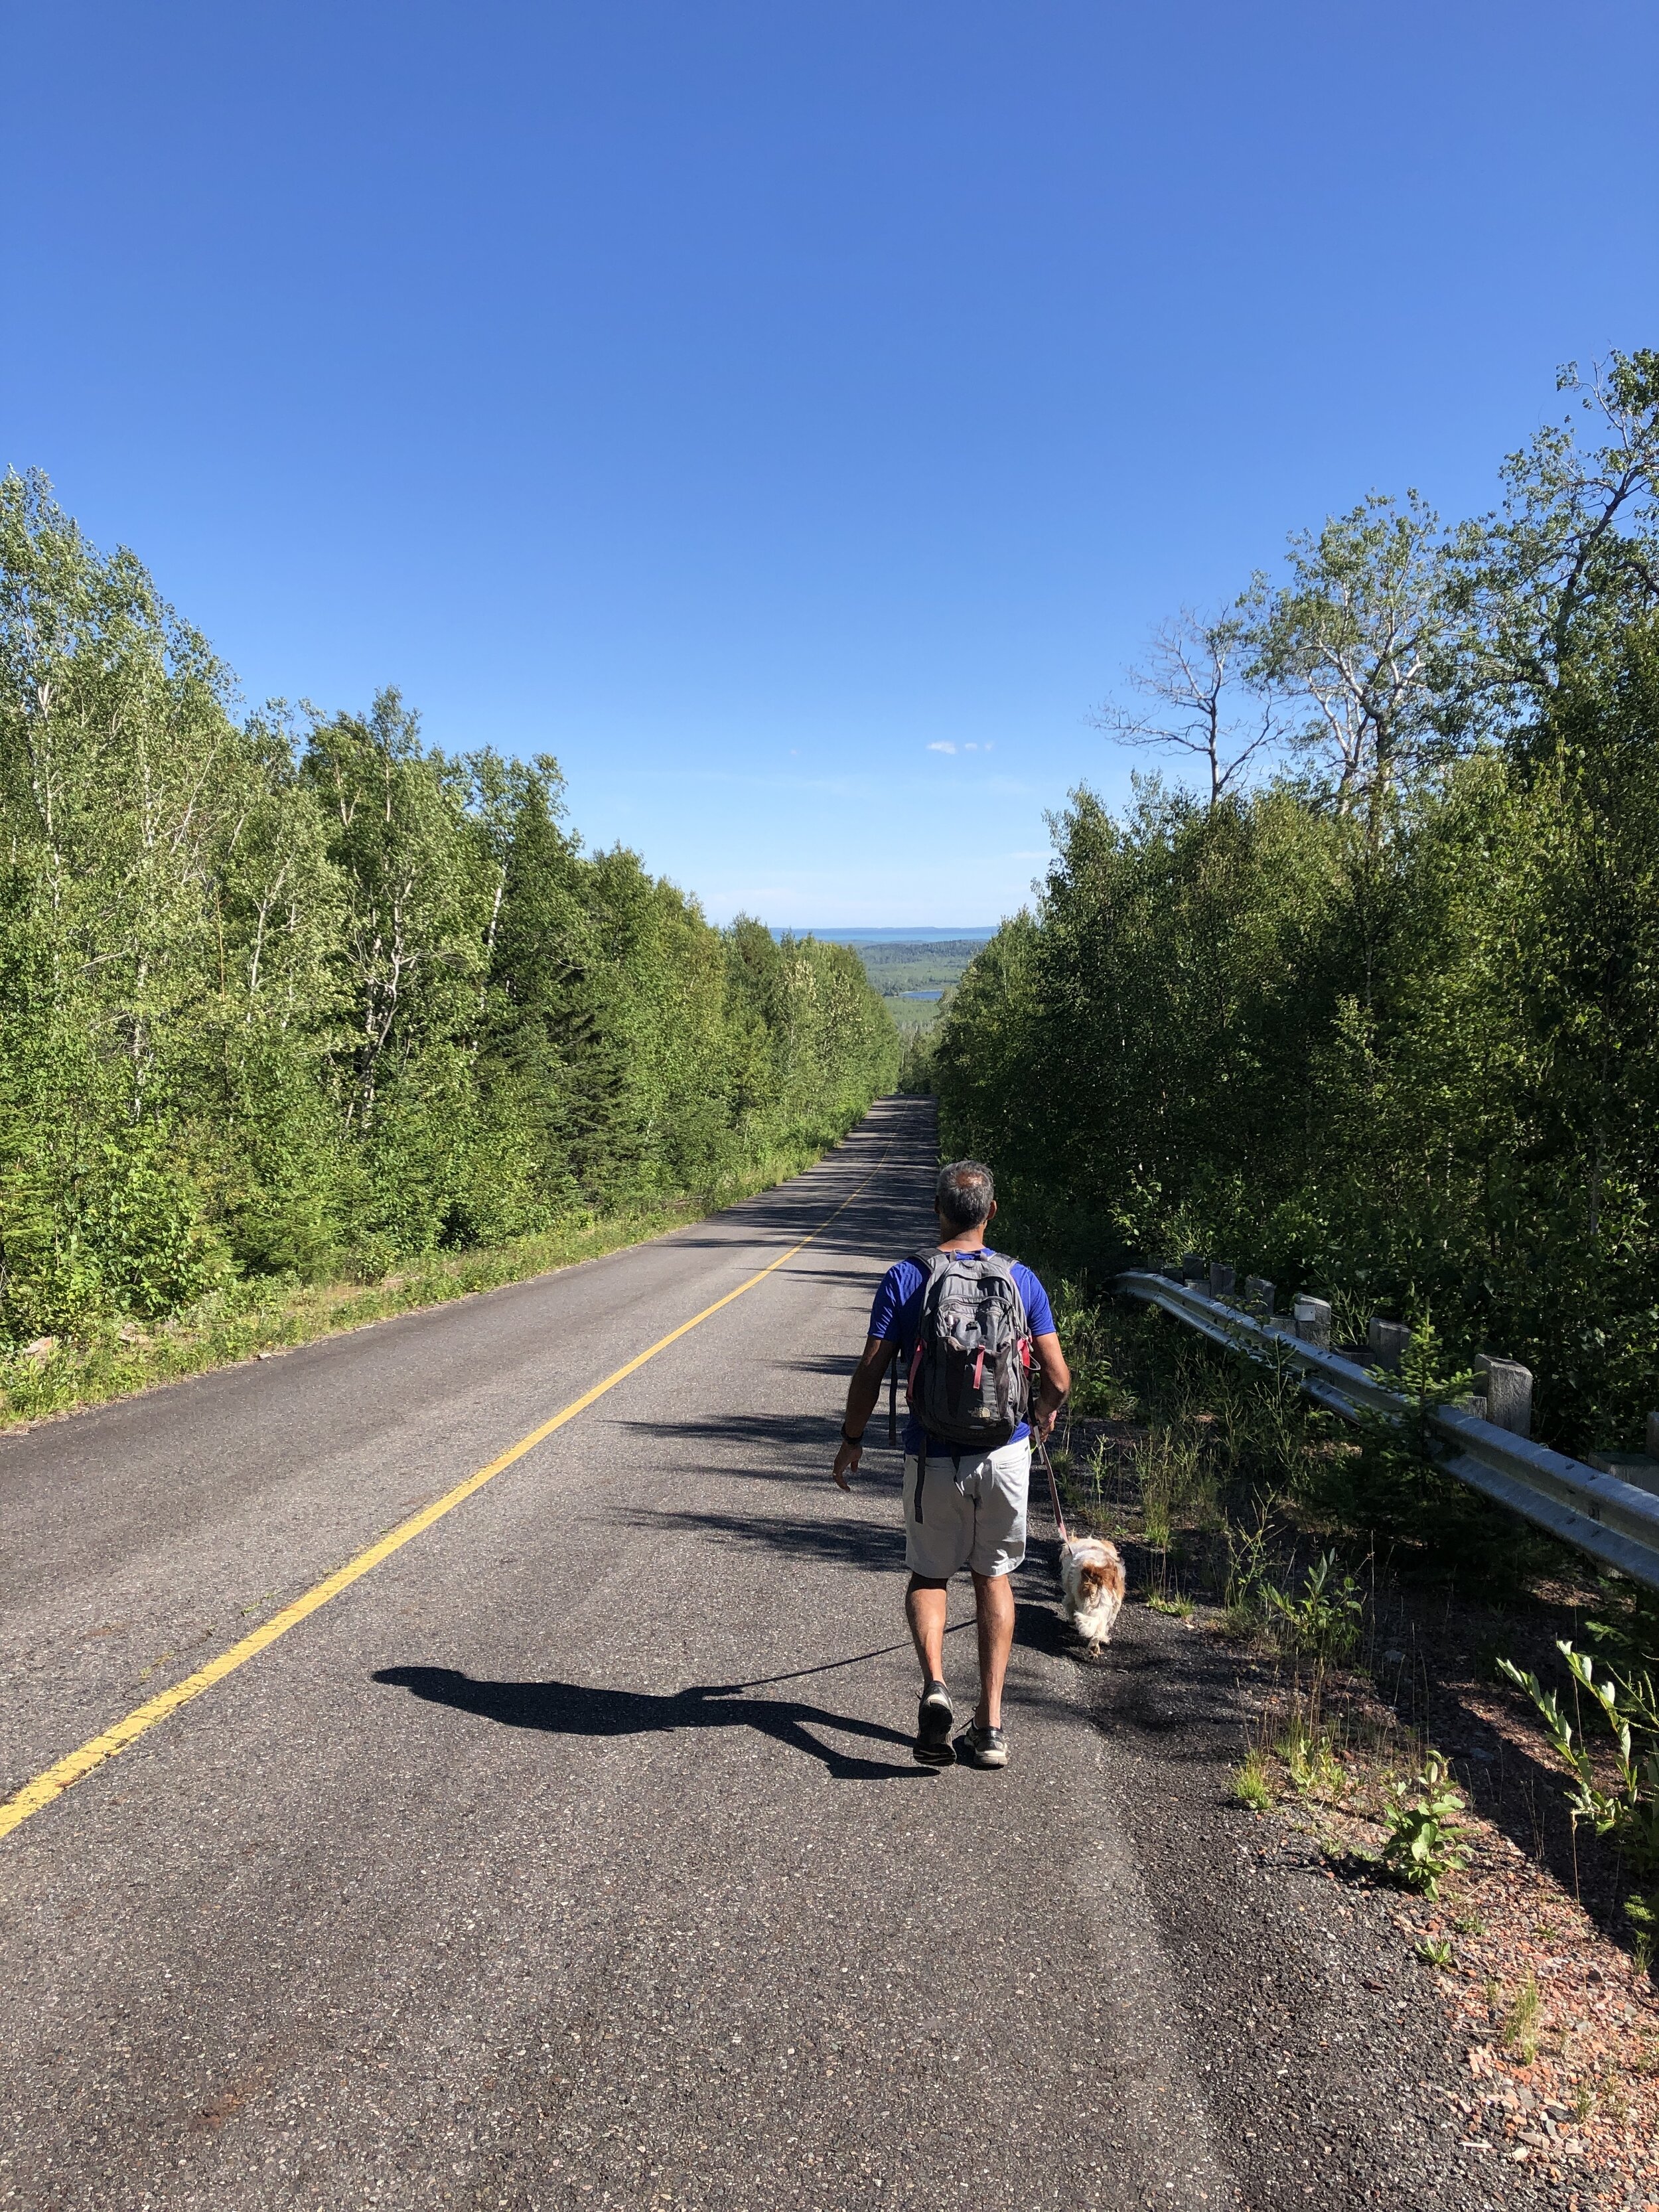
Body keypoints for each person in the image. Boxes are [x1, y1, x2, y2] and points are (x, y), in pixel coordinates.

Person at [830, 1159, 1070, 1770]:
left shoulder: (907, 1277)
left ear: (937, 1209)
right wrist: (1041, 1415)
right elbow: (1060, 1378)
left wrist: (852, 1437)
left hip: (934, 1452)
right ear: (992, 1212)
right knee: (993, 1577)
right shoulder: (1022, 1280)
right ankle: (989, 1726)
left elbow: (870, 1368)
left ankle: (936, 1685)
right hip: (1005, 1452)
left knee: (930, 1576)